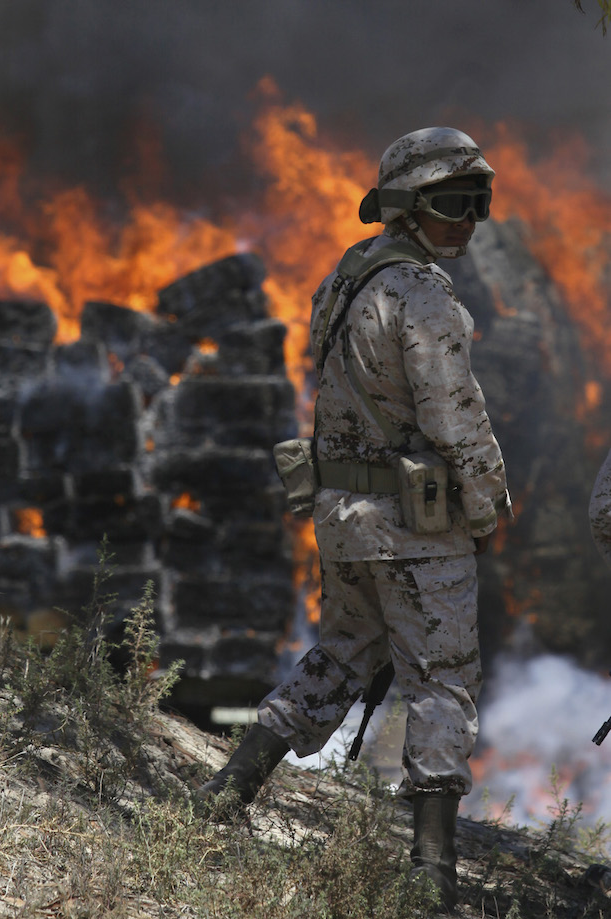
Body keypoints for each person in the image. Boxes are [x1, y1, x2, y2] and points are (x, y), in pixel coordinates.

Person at [194, 127, 511, 913]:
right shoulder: (425, 294)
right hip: (415, 526)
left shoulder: (343, 280)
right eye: (451, 202)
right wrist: (488, 503)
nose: (467, 219)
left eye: (478, 202)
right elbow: (456, 418)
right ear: (406, 207)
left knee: (340, 654)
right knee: (442, 681)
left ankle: (225, 793)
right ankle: (431, 877)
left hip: (344, 516)